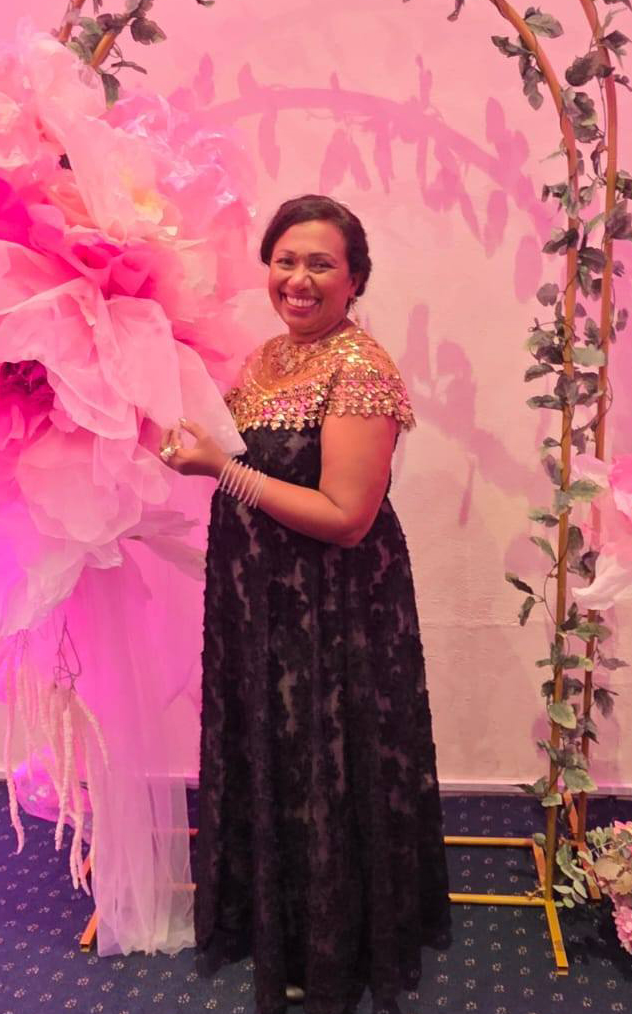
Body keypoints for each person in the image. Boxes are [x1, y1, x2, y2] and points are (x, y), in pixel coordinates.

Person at [159, 194, 451, 1014]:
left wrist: (221, 469)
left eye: (320, 263)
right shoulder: (267, 359)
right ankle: (275, 925)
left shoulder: (361, 368)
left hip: (334, 612)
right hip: (262, 606)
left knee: (326, 765)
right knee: (275, 760)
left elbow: (347, 518)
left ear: (355, 279)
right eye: (285, 260)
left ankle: (335, 948)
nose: (298, 278)